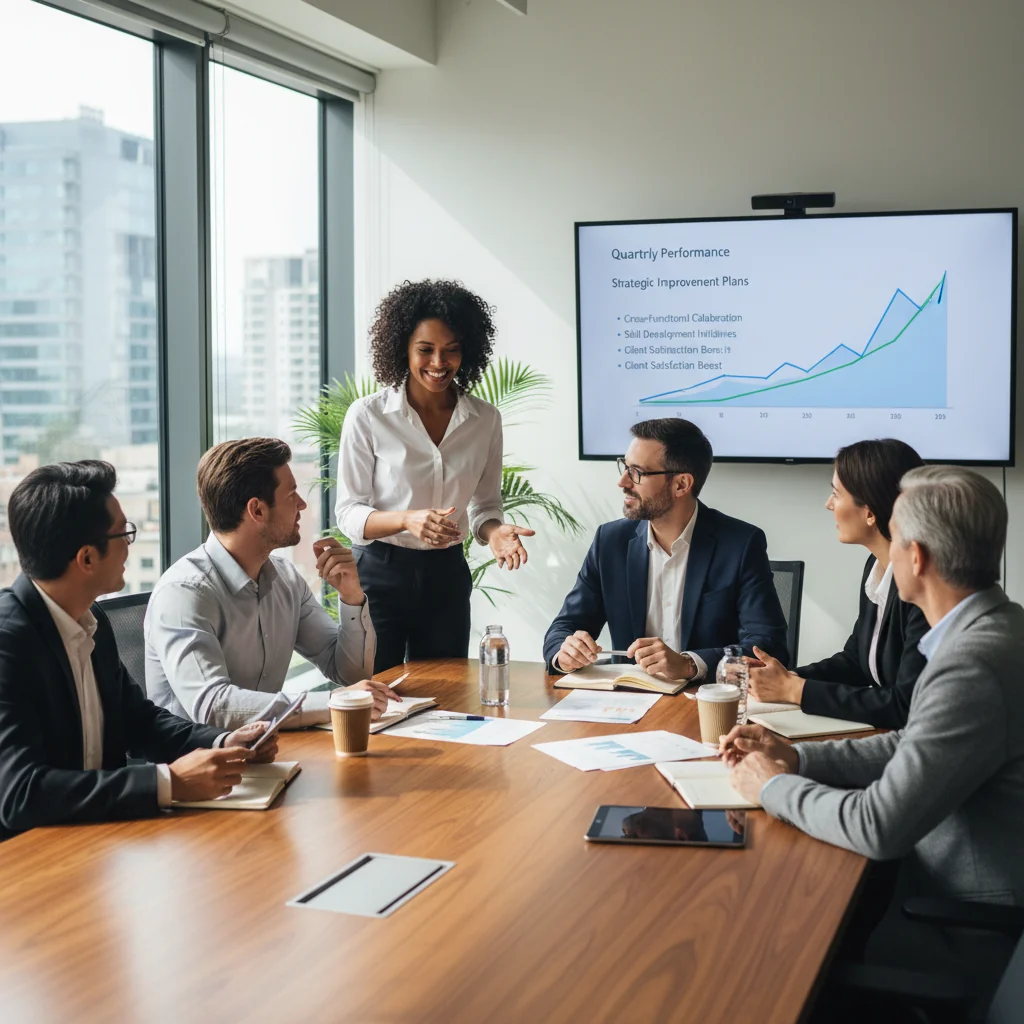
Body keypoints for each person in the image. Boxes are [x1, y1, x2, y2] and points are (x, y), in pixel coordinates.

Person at [722, 466, 1024, 977]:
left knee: (763, 948)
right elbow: (912, 743)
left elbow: (877, 826)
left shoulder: (971, 665)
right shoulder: (999, 626)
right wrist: (796, 756)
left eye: (894, 538)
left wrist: (771, 787)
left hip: (957, 929)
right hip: (937, 888)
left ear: (917, 557)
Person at [0, 461, 278, 840]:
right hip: (30, 856)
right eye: (124, 534)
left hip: (101, 838)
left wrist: (223, 742)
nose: (129, 547)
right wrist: (169, 782)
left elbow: (138, 720)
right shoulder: (9, 643)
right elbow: (20, 793)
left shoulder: (90, 617)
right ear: (87, 558)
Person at [335, 279, 534, 672]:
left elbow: (485, 505)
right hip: (378, 574)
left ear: (467, 350)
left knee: (446, 692)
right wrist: (407, 519)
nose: (439, 363)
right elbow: (348, 512)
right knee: (376, 688)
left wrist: (495, 532)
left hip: (446, 576)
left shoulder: (485, 420)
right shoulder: (368, 415)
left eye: (451, 350)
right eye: (425, 350)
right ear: (403, 349)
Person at [146, 438, 393, 731]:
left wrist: (351, 596)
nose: (302, 504)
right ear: (257, 510)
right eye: (291, 495)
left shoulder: (286, 579)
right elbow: (213, 706)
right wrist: (333, 702)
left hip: (266, 749)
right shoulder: (185, 593)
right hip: (200, 758)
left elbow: (349, 673)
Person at [543, 418, 789, 681]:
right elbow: (564, 627)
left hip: (706, 698)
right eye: (625, 467)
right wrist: (565, 652)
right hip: (628, 696)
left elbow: (767, 646)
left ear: (681, 484)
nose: (623, 482)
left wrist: (689, 664)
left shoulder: (740, 544)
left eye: (637, 472)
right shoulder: (610, 541)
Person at [748, 439, 928, 727]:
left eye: (836, 494)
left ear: (869, 512)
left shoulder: (923, 585)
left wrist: (796, 690)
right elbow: (856, 660)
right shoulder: (876, 566)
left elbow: (904, 705)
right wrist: (787, 678)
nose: (828, 504)